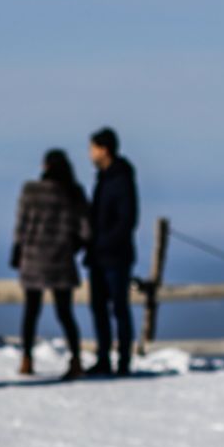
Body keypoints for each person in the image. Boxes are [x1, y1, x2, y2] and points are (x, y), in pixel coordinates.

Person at [11, 149, 90, 378]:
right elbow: (86, 230)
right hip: (61, 259)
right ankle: (75, 360)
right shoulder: (74, 193)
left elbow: (21, 225)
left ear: (45, 167)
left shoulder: (30, 191)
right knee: (65, 313)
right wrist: (72, 248)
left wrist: (18, 250)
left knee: (31, 312)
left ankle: (27, 359)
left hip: (33, 257)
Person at [85, 127, 139, 376]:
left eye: (92, 148)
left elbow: (127, 219)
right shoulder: (104, 178)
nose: (89, 154)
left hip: (116, 257)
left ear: (103, 149)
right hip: (99, 257)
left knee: (119, 309)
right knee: (98, 309)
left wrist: (103, 243)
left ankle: (124, 361)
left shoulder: (121, 178)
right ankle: (104, 358)